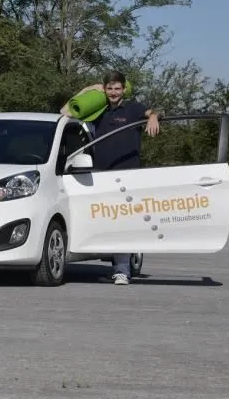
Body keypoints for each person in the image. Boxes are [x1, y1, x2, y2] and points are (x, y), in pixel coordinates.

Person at [62, 70, 161, 285]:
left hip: (127, 175)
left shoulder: (133, 108)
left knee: (122, 222)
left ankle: (122, 271)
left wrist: (153, 117)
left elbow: (154, 111)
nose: (114, 92)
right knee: (106, 221)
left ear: (124, 89)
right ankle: (118, 262)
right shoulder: (98, 111)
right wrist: (91, 89)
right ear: (104, 90)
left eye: (118, 88)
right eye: (109, 88)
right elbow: (65, 112)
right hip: (100, 175)